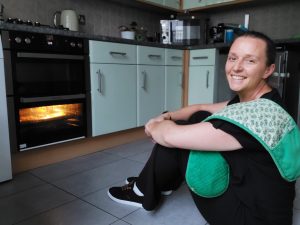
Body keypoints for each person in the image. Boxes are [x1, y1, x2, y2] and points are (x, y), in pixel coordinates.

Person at [107, 31, 300, 225]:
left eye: (250, 61)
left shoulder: (257, 116)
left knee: (177, 138)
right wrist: (166, 116)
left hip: (252, 218)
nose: (237, 67)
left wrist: (154, 125)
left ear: (268, 70)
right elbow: (202, 108)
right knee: (199, 118)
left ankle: (142, 192)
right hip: (264, 204)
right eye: (233, 58)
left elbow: (169, 136)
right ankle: (160, 180)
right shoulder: (265, 101)